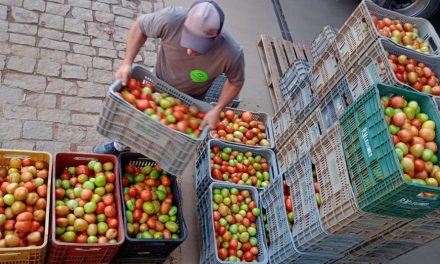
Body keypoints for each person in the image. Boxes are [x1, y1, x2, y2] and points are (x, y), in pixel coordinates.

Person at [94, 0, 245, 155]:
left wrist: (218, 109)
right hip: (157, 83)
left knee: (169, 138)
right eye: (188, 42)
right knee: (137, 121)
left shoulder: (231, 54)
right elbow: (140, 26)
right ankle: (120, 145)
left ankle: (156, 156)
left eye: (198, 47)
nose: (189, 52)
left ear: (217, 37)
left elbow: (235, 81)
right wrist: (127, 63)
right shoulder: (171, 19)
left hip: (191, 99)